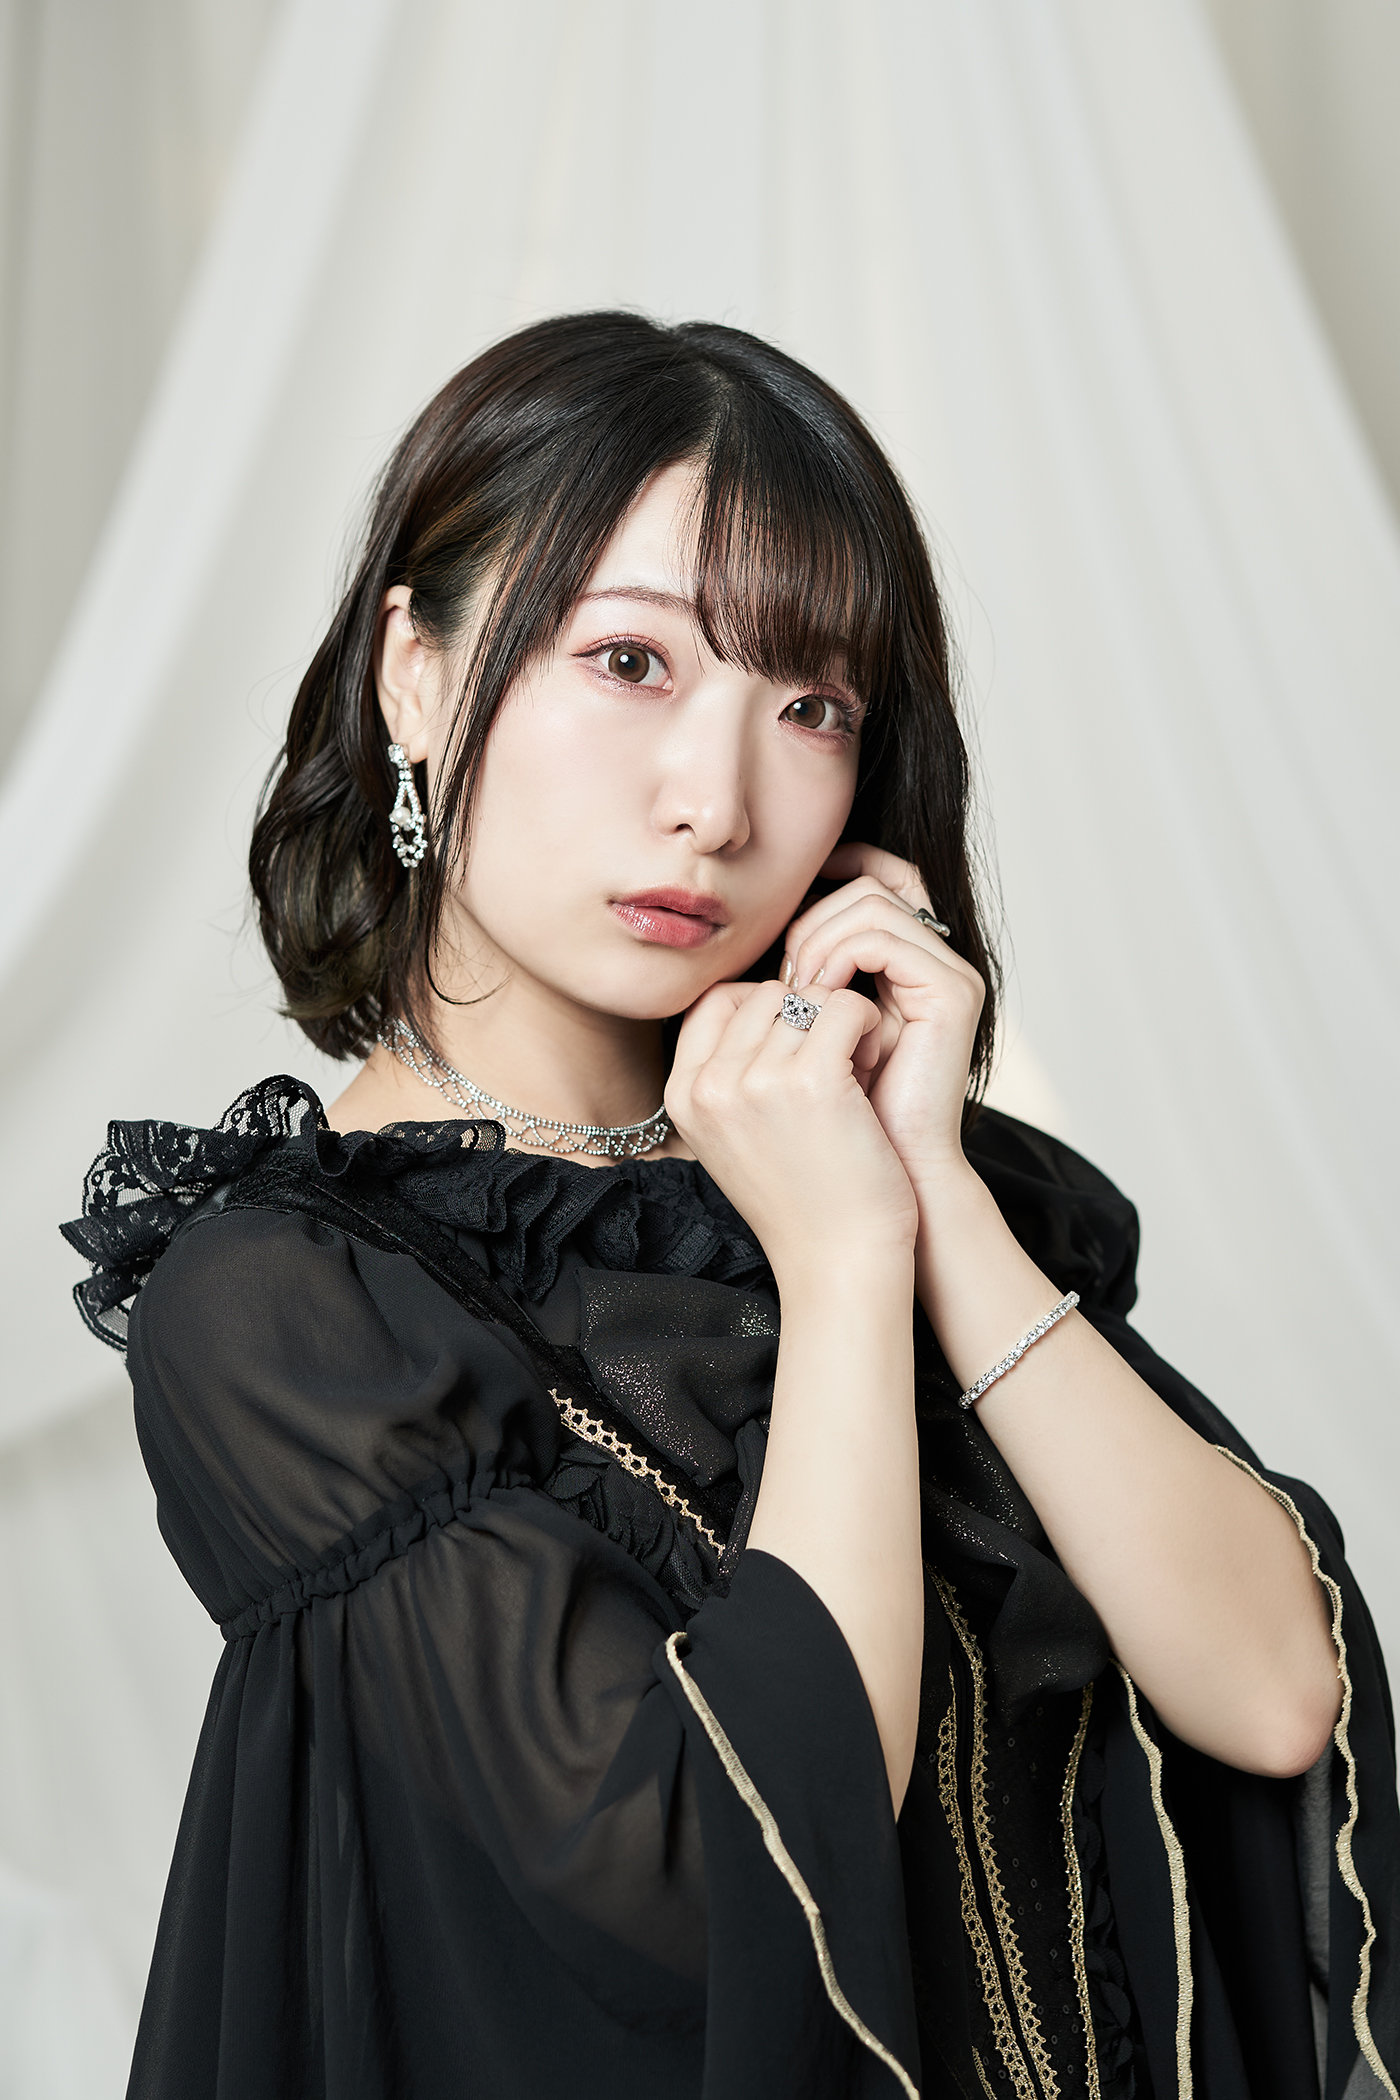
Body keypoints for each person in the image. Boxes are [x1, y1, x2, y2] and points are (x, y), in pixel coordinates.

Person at [63, 313, 1398, 2100]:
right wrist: (841, 1271)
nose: (716, 801)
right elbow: (712, 1885)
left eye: (811, 708)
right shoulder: (295, 1306)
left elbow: (1274, 1694)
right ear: (417, 676)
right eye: (630, 661)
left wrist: (922, 1185)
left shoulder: (894, 1177)